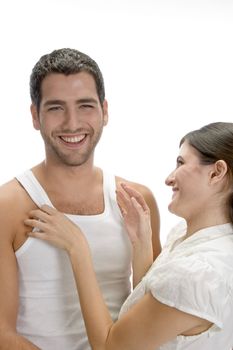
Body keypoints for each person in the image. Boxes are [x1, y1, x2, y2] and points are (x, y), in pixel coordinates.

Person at [0, 48, 161, 349]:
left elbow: (153, 314)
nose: (72, 123)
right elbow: (2, 334)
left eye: (85, 105)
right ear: (35, 116)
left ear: (105, 111)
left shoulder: (138, 200)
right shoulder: (8, 207)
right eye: (56, 108)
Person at [26, 122, 233, 349]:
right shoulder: (188, 237)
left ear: (216, 172)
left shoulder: (200, 272)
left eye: (181, 163)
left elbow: (110, 346)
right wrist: (141, 244)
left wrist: (77, 248)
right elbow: (150, 316)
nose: (169, 178)